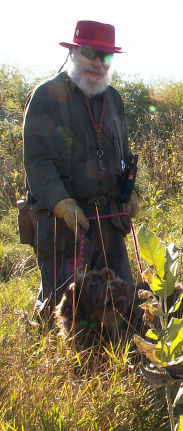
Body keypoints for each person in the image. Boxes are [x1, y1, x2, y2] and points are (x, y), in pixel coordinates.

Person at [21, 20, 139, 324]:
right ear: (73, 52)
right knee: (61, 305)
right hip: (63, 223)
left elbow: (124, 155)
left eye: (106, 56)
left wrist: (131, 192)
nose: (98, 63)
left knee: (122, 299)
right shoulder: (47, 96)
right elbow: (37, 161)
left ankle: (112, 358)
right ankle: (55, 363)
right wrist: (61, 203)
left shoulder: (113, 99)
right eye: (90, 52)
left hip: (109, 220)